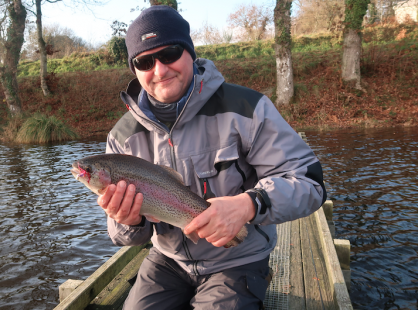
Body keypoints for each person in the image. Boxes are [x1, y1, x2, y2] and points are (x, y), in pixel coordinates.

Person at [98, 5, 327, 310]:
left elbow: (310, 183)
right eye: (144, 61)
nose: (160, 70)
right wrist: (127, 220)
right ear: (135, 70)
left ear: (190, 53)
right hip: (168, 260)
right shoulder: (121, 137)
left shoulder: (246, 107)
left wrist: (249, 205)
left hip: (239, 259)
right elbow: (125, 236)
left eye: (170, 54)